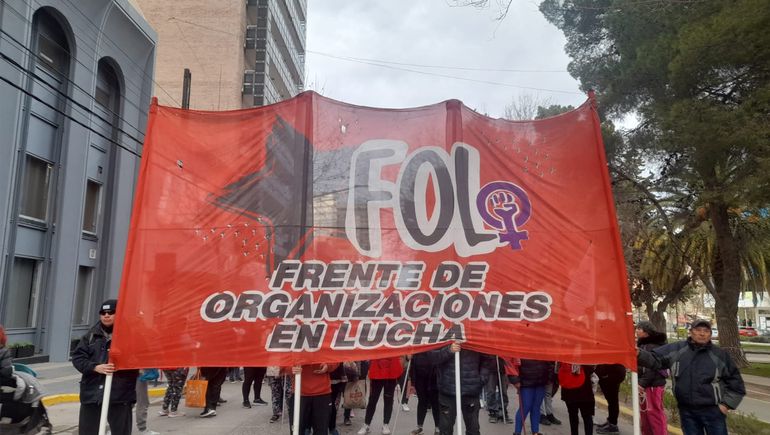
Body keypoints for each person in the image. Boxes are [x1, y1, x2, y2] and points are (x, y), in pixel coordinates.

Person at [637, 319, 745, 435]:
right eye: (698, 330)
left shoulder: (720, 355)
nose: (702, 333)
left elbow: (736, 384)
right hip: (687, 412)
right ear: (691, 332)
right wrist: (639, 353)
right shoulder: (677, 349)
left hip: (713, 412)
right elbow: (655, 359)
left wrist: (726, 405)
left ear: (710, 334)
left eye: (706, 331)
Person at [72, 299, 139, 435]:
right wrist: (95, 367)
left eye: (111, 312)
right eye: (103, 312)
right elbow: (78, 358)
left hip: (120, 395)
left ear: (119, 314)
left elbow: (139, 358)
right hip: (92, 395)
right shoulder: (90, 336)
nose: (106, 315)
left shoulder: (130, 335)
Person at [430, 342, 487, 435]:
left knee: (473, 429)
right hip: (447, 391)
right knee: (445, 429)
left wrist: (481, 379)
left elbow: (488, 358)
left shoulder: (476, 334)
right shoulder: (443, 332)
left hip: (471, 390)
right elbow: (433, 357)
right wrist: (449, 350)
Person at [635, 321, 668, 435]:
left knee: (654, 412)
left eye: (640, 328)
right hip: (646, 384)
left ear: (647, 331)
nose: (637, 330)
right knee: (645, 413)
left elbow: (651, 368)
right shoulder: (642, 345)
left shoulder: (653, 346)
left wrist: (641, 383)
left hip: (653, 385)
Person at [358, 356, 403, 434]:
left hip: (391, 372)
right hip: (377, 372)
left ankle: (386, 424)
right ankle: (366, 424)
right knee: (372, 400)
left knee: (388, 400)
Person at [291, 362, 339, 435]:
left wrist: (328, 366)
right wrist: (290, 368)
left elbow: (336, 358)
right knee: (297, 430)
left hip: (322, 393)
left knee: (321, 430)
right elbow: (282, 359)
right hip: (299, 392)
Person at [508, 359, 553, 435]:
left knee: (536, 408)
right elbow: (511, 363)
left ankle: (535, 431)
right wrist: (515, 380)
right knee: (525, 407)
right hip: (526, 382)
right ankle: (517, 432)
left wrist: (549, 377)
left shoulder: (543, 348)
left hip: (541, 381)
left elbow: (550, 363)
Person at [410, 351, 440, 435]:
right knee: (422, 402)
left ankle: (437, 427)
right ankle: (419, 426)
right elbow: (412, 364)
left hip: (434, 378)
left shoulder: (435, 344)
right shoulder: (418, 347)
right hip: (420, 378)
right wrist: (413, 381)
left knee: (435, 403)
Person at [560, 364, 595, 435]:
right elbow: (591, 369)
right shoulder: (586, 355)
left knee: (573, 416)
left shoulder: (564, 354)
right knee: (587, 417)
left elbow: (558, 369)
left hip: (569, 388)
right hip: (584, 390)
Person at [595, 363, 626, 434]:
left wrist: (605, 376)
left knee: (613, 402)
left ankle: (613, 425)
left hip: (612, 377)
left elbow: (620, 372)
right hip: (608, 376)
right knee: (611, 402)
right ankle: (610, 421)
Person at [135, 368, 160, 435]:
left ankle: (115, 428)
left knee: (125, 402)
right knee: (142, 402)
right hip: (139, 372)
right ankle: (142, 428)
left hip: (125, 373)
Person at [539, 361, 561, 427]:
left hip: (551, 374)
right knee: (541, 395)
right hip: (542, 373)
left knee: (548, 395)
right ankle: (542, 415)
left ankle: (549, 414)